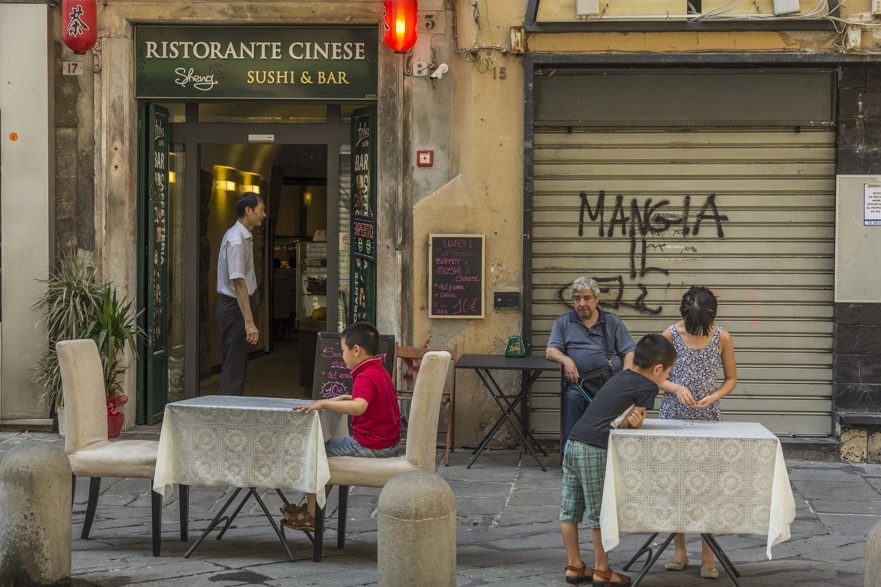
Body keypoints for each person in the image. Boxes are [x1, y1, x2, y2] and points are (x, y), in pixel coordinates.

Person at [560, 333, 676, 585]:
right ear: (657, 369)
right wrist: (635, 423)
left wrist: (626, 422)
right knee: (599, 515)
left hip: (574, 442)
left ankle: (575, 566)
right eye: (667, 373)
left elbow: (609, 415)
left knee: (569, 511)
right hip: (594, 449)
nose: (665, 378)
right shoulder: (648, 386)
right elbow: (625, 423)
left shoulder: (621, 375)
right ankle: (602, 571)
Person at [284, 321, 401, 530]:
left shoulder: (364, 376)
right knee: (324, 451)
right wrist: (348, 396)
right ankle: (312, 509)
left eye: (343, 350)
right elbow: (368, 400)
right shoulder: (379, 371)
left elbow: (359, 407)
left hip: (371, 444)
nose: (342, 355)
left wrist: (322, 403)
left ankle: (311, 515)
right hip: (387, 443)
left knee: (316, 452)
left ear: (356, 350)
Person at [657, 286, 737, 579]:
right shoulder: (669, 336)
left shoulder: (722, 337)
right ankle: (679, 550)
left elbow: (731, 378)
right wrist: (676, 387)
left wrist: (715, 396)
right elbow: (656, 377)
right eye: (692, 324)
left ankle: (708, 554)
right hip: (673, 417)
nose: (697, 329)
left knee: (706, 487)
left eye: (702, 324)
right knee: (676, 485)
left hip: (707, 417)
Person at [547, 277, 636, 452]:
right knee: (571, 400)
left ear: (596, 298)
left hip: (608, 383)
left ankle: (613, 457)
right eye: (577, 298)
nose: (581, 303)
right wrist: (566, 360)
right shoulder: (563, 322)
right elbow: (551, 350)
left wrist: (625, 377)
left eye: (587, 298)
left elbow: (630, 351)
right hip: (579, 385)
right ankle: (570, 457)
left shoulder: (612, 321)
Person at [216, 192, 265, 396]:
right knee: (233, 366)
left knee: (235, 363)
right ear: (248, 210)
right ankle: (228, 415)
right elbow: (238, 282)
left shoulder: (243, 236)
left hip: (236, 305)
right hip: (234, 306)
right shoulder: (236, 240)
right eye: (261, 210)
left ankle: (231, 410)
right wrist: (249, 321)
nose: (263, 214)